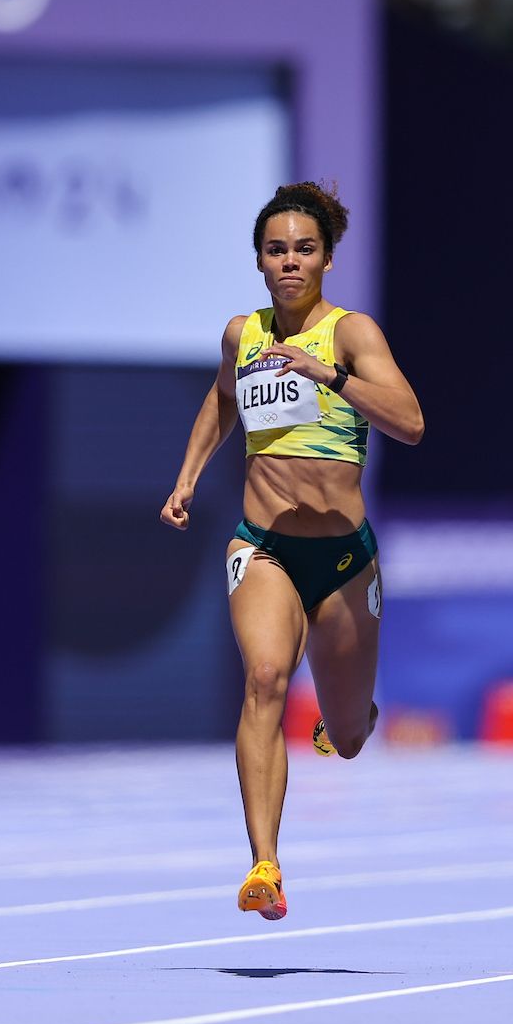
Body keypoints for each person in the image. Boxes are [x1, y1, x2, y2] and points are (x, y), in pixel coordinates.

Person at [161, 182, 424, 920]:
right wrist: (186, 479)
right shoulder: (241, 335)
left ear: (327, 259)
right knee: (265, 680)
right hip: (263, 545)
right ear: (259, 261)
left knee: (346, 736)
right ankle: (265, 866)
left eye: (304, 249)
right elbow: (220, 402)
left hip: (344, 560)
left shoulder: (350, 334)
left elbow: (410, 422)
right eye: (276, 250)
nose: (289, 261)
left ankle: (349, 717)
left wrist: (331, 377)